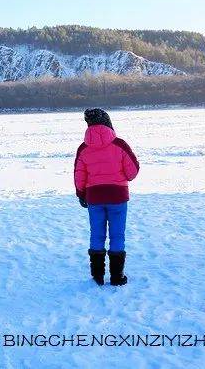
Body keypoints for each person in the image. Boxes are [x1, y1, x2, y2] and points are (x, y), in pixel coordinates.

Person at [73, 108, 139, 286]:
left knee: (97, 235)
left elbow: (79, 175)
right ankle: (117, 277)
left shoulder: (83, 148)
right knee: (117, 235)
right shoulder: (119, 144)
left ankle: (97, 276)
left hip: (94, 197)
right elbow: (132, 172)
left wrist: (81, 194)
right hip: (118, 196)